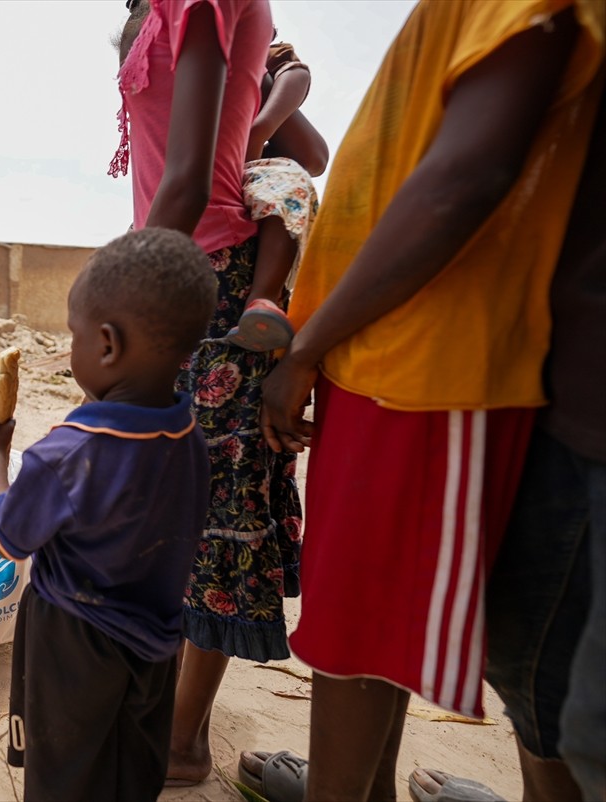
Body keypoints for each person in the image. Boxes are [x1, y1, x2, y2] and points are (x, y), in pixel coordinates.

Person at [243, 1, 603, 799]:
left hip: (428, 362)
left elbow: (467, 176)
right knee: (355, 641)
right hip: (377, 352)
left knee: (375, 646)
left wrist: (304, 350)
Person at [109, 0, 306, 786]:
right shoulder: (170, 15)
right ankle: (170, 718)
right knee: (183, 515)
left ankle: (184, 740)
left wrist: (119, 298)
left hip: (206, 284)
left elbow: (192, 179)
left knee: (217, 521)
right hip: (190, 274)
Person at [0, 227, 217, 802]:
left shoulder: (68, 453)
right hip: (157, 641)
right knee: (133, 765)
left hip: (72, 643)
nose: (69, 347)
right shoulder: (188, 437)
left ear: (106, 345)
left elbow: (7, 534)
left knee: (62, 771)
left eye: (72, 335)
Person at [225, 40, 326, 351]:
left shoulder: (257, 54)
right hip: (218, 161)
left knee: (286, 185)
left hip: (257, 160)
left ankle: (263, 297)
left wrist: (260, 129)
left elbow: (296, 73)